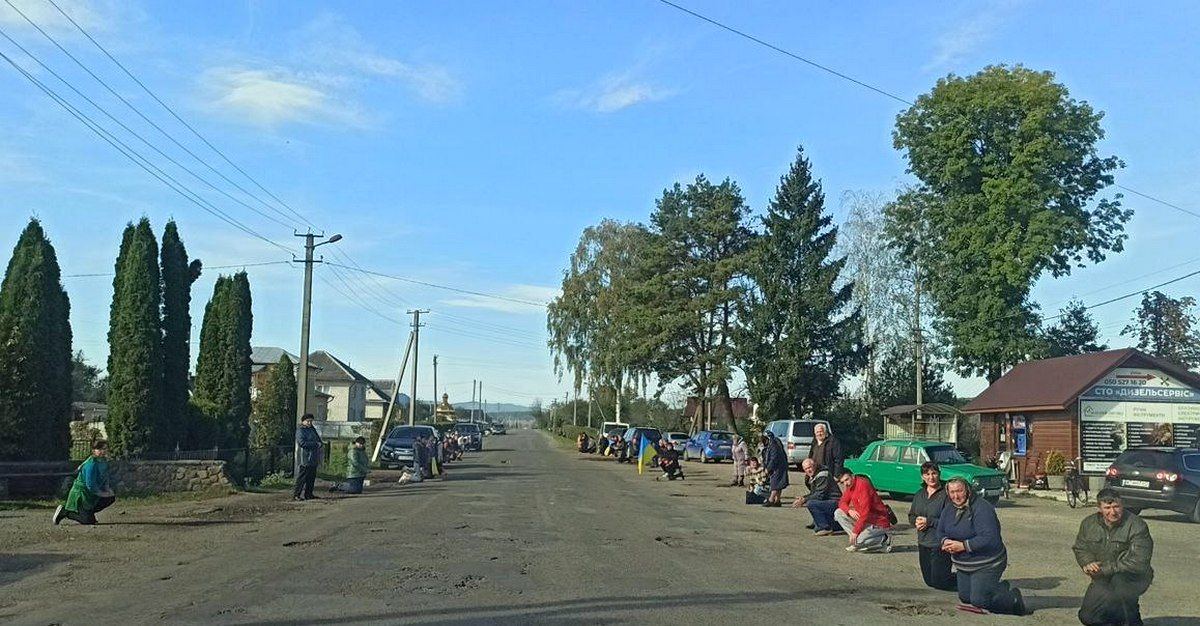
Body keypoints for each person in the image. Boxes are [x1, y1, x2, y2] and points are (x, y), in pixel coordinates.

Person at [937, 477, 1025, 616]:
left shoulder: (982, 508)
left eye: (959, 491)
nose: (956, 496)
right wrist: (944, 541)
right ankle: (999, 587)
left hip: (988, 562)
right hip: (964, 564)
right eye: (952, 492)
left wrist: (963, 546)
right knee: (965, 597)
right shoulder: (949, 509)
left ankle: (1012, 599)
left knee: (979, 600)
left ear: (967, 490)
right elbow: (940, 530)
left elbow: (990, 538)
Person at [1073, 488, 1154, 626]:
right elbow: (1081, 548)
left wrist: (1105, 569)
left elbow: (1139, 562)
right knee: (1088, 616)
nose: (1113, 512)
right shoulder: (1088, 523)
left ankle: (1132, 622)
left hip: (1134, 576)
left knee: (1120, 587)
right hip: (1103, 576)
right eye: (1107, 507)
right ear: (1099, 508)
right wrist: (1088, 562)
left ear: (1122, 505)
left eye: (1116, 506)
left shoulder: (1137, 525)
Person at [909, 461, 955, 591]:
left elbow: (950, 521)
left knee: (940, 583)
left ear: (939, 474)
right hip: (923, 542)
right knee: (929, 581)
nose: (931, 477)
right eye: (927, 474)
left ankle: (968, 582)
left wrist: (929, 522)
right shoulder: (919, 494)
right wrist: (916, 521)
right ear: (923, 476)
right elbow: (911, 515)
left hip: (939, 544)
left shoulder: (946, 495)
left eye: (934, 473)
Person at [53, 440, 115, 526]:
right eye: (99, 449)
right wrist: (102, 493)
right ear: (94, 450)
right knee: (87, 521)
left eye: (104, 449)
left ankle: (88, 513)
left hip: (91, 495)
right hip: (81, 495)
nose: (103, 451)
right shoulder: (91, 464)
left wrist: (107, 489)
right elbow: (90, 485)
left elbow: (105, 478)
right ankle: (66, 512)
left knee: (110, 497)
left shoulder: (104, 462)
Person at [833, 469, 892, 552]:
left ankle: (885, 538)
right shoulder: (850, 486)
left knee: (859, 540)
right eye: (843, 482)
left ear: (853, 476)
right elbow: (842, 502)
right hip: (865, 520)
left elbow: (865, 512)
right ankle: (856, 542)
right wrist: (849, 510)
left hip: (878, 521)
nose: (846, 483)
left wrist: (855, 532)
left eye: (847, 479)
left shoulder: (863, 485)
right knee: (838, 513)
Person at [791, 458, 842, 535]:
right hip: (829, 501)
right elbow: (815, 493)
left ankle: (824, 528)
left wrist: (804, 500)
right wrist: (803, 497)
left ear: (814, 465)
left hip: (835, 502)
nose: (808, 470)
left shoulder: (823, 475)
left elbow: (819, 495)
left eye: (809, 467)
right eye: (806, 469)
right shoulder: (814, 475)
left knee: (811, 503)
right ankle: (832, 525)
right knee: (813, 502)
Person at [293, 414, 323, 501]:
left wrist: (320, 444)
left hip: (313, 456)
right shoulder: (301, 430)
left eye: (311, 421)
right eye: (308, 421)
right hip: (305, 457)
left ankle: (309, 494)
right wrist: (315, 444)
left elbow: (318, 440)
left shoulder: (312, 429)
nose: (309, 423)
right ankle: (297, 494)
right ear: (303, 421)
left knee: (311, 477)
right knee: (302, 477)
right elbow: (302, 443)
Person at [759, 431, 789, 507]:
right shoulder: (770, 445)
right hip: (779, 466)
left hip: (778, 467)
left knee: (775, 483)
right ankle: (777, 501)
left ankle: (771, 500)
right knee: (779, 483)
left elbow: (774, 458)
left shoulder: (773, 445)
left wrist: (768, 469)